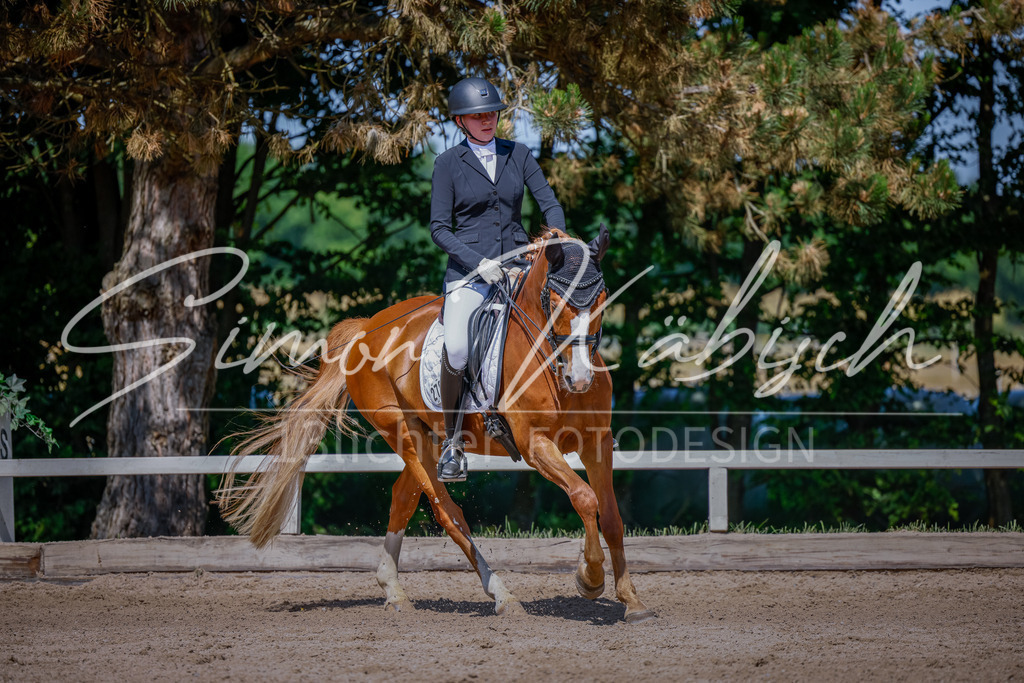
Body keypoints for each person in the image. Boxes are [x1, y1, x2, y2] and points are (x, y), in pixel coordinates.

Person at [430, 76, 567, 482]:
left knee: (567, 319)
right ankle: (453, 445)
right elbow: (440, 228)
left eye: (491, 113)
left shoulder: (518, 154)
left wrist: (555, 240)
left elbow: (549, 204)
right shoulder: (447, 165)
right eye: (478, 115)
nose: (487, 119)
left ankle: (586, 418)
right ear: (461, 121)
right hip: (470, 274)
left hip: (520, 267)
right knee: (456, 348)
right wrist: (479, 264)